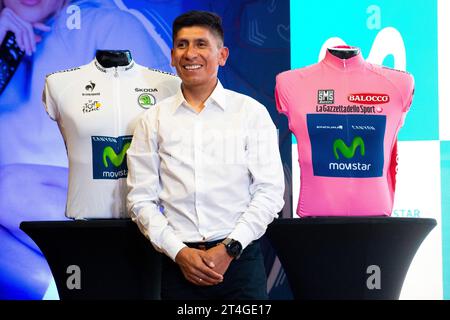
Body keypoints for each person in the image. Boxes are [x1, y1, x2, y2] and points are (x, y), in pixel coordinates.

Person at [0, 0, 173, 299]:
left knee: (9, 189)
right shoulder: (8, 45)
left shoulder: (109, 26)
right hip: (57, 250)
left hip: (131, 211)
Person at [127, 10, 285, 300]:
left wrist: (230, 248)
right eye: (182, 45)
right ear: (172, 56)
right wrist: (180, 252)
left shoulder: (251, 113)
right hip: (178, 265)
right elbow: (140, 199)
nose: (190, 54)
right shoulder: (152, 120)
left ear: (222, 55)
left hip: (240, 264)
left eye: (201, 44)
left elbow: (270, 193)